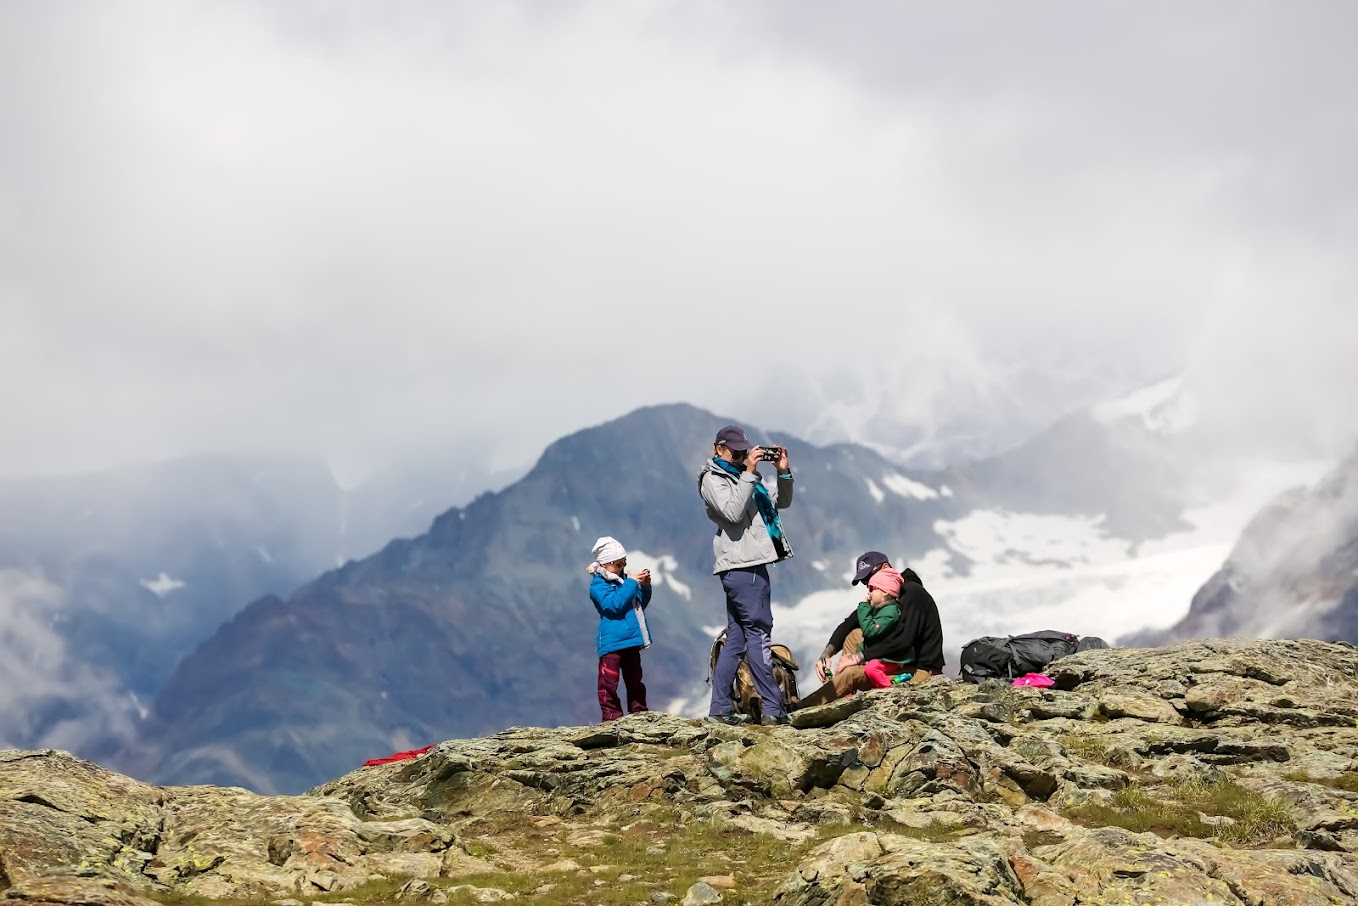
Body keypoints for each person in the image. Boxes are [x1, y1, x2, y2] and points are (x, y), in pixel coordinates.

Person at [699, 424, 795, 725]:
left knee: (738, 638)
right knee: (759, 635)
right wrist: (750, 472)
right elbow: (732, 512)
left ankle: (720, 709)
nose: (742, 456)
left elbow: (780, 502)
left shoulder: (743, 476)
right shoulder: (713, 479)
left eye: (745, 451)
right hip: (743, 567)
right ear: (719, 449)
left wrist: (783, 473)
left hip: (749, 564)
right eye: (736, 451)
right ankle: (773, 709)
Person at [795, 562, 945, 710]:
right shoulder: (887, 595)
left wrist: (858, 657)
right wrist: (825, 655)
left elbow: (904, 640)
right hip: (898, 661)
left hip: (920, 670)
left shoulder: (911, 592)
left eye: (870, 581)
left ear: (885, 568)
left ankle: (800, 709)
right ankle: (842, 693)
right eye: (865, 583)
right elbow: (848, 624)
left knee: (852, 674)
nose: (868, 587)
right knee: (855, 634)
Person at [587, 535, 653, 722]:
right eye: (617, 564)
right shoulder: (598, 585)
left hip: (631, 640)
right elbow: (613, 605)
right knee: (608, 682)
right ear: (605, 564)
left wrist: (645, 588)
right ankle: (611, 716)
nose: (621, 568)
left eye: (623, 563)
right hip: (612, 643)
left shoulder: (624, 581)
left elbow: (637, 606)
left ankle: (639, 711)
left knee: (635, 680)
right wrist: (632, 583)